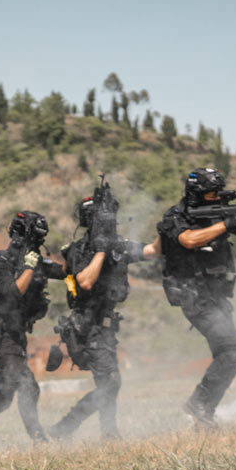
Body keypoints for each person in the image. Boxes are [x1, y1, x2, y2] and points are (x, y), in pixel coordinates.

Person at [150, 168, 236, 430]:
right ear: (195, 192)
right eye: (209, 193)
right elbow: (188, 240)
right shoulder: (177, 216)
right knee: (233, 350)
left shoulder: (216, 211)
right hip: (193, 295)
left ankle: (203, 413)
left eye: (216, 193)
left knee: (228, 354)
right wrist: (226, 224)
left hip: (216, 295)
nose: (214, 197)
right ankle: (199, 404)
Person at [46, 186, 153, 440]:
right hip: (86, 327)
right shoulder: (78, 250)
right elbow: (84, 281)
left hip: (104, 327)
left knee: (109, 383)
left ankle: (105, 432)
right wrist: (102, 250)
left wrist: (168, 237)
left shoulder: (116, 247)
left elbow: (150, 251)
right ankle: (67, 427)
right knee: (110, 383)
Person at [0, 211, 66, 446]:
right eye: (34, 238)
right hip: (0, 335)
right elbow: (12, 292)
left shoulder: (33, 261)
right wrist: (29, 267)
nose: (37, 244)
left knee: (3, 396)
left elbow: (63, 272)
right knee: (28, 386)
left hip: (16, 337)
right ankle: (38, 438)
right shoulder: (1, 262)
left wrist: (72, 257)